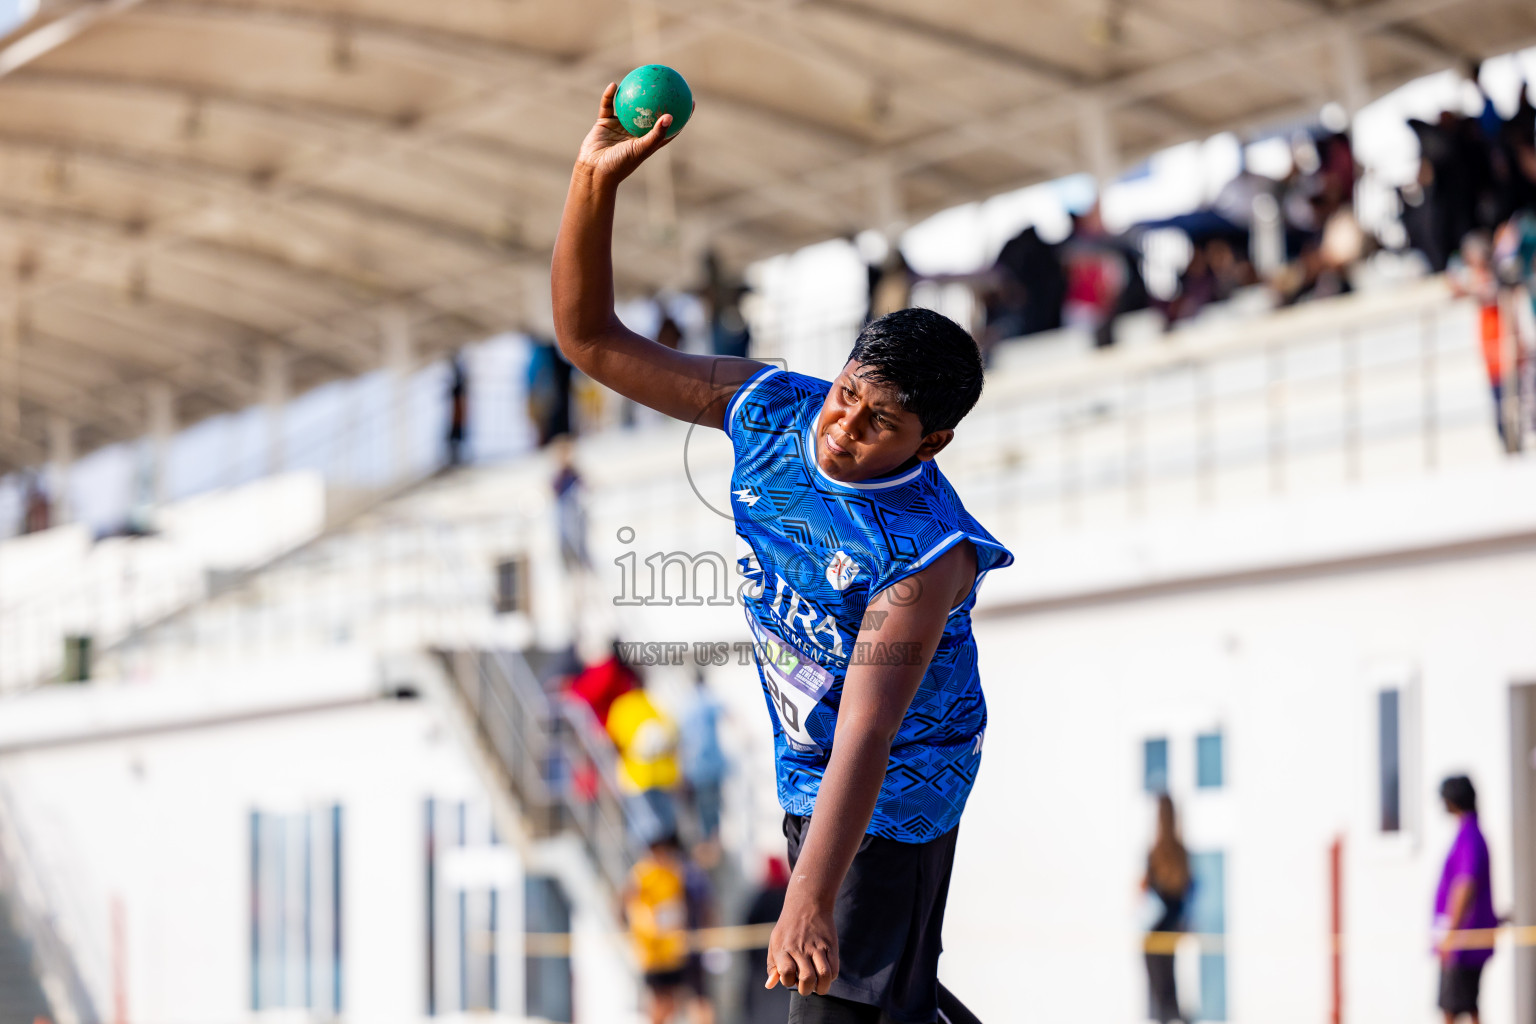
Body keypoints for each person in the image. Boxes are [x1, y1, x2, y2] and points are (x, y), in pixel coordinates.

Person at [552, 84, 1013, 1024]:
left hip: (901, 787)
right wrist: (591, 185)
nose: (845, 428)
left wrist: (806, 891)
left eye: (881, 422)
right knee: (890, 1003)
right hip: (811, 774)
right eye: (849, 393)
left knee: (829, 999)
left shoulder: (926, 551)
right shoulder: (771, 408)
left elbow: (870, 731)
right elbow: (591, 340)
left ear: (931, 444)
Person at [1434, 775, 1498, 1024]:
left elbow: (1465, 885)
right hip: (1465, 938)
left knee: (1453, 1008)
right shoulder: (1470, 833)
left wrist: (1450, 933)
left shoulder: (1469, 836)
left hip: (1464, 941)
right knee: (1467, 1004)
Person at [625, 833, 692, 1024]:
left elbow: (679, 905)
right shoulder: (641, 874)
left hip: (672, 949)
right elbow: (632, 904)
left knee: (672, 1002)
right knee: (658, 1003)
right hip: (652, 951)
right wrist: (647, 926)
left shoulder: (673, 872)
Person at [607, 680, 682, 845]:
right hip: (664, 776)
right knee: (665, 827)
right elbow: (674, 734)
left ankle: (651, 864)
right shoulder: (656, 702)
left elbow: (614, 742)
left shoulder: (621, 707)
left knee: (644, 829)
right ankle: (662, 861)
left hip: (636, 778)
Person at [1141, 794, 1191, 1024]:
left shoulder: (1156, 853)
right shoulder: (1180, 853)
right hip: (1172, 927)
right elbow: (1185, 893)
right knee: (1168, 989)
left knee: (1162, 993)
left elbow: (1151, 891)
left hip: (1158, 930)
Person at [680, 670, 728, 855]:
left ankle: (708, 844)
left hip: (695, 767)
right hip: (711, 765)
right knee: (712, 807)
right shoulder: (708, 700)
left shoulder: (687, 704)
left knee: (703, 807)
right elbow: (728, 713)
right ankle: (713, 843)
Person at [445, 350, 468, 466]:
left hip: (457, 412)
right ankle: (455, 456)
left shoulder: (459, 386)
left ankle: (456, 457)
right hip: (456, 412)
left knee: (456, 433)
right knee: (455, 433)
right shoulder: (459, 383)